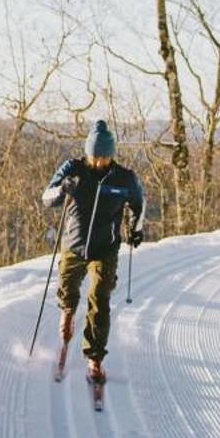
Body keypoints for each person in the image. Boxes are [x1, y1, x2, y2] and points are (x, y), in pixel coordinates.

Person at [41, 119, 147, 384]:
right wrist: (62, 188)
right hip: (73, 245)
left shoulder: (124, 178)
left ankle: (95, 358)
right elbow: (47, 198)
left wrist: (136, 229)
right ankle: (67, 315)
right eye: (93, 156)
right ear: (87, 153)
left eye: (103, 157)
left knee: (99, 301)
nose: (98, 162)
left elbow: (138, 204)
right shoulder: (73, 169)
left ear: (110, 154)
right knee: (68, 290)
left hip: (105, 248)